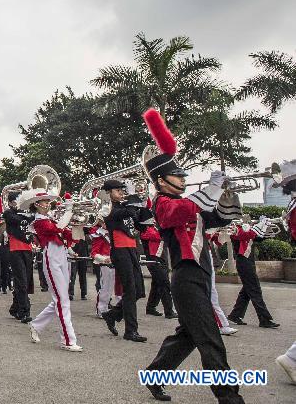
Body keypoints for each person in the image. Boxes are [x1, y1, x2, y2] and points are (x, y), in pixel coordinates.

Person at [141, 108, 244, 404]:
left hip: (201, 274)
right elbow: (185, 210)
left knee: (188, 335)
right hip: (185, 278)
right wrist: (210, 190)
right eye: (177, 175)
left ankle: (155, 374)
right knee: (210, 340)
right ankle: (230, 398)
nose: (183, 179)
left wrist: (226, 192)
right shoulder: (163, 204)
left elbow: (218, 217)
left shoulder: (187, 203)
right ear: (161, 181)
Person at [26, 191, 82, 352]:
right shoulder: (39, 221)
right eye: (44, 201)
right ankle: (68, 340)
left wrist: (79, 223)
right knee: (62, 300)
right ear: (36, 204)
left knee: (61, 298)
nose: (48, 203)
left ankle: (36, 325)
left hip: (62, 256)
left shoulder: (51, 218)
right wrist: (69, 211)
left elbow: (70, 235)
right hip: (51, 258)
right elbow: (57, 228)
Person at [101, 179, 147, 342]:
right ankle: (130, 331)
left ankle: (112, 314)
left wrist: (144, 208)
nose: (122, 193)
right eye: (118, 190)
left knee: (139, 290)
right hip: (120, 250)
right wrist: (133, 196)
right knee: (130, 290)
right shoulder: (107, 208)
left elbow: (141, 225)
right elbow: (125, 213)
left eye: (123, 190)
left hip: (131, 248)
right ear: (108, 193)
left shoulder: (125, 206)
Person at [227, 217, 279, 328]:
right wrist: (258, 225)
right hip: (243, 262)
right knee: (255, 290)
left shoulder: (247, 229)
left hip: (248, 262)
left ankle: (235, 315)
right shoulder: (235, 229)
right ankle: (264, 319)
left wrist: (265, 226)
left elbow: (258, 237)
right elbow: (246, 235)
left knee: (247, 291)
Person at [4, 193, 35, 323]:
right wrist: (27, 214)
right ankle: (24, 312)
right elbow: (18, 220)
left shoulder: (27, 213)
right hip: (15, 250)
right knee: (21, 281)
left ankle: (15, 307)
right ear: (11, 202)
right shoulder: (8, 213)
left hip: (27, 249)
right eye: (17, 200)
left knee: (25, 282)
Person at [141, 222, 175, 319]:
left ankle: (151, 307)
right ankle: (169, 311)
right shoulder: (146, 229)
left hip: (160, 258)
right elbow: (157, 236)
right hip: (153, 259)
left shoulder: (155, 228)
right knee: (164, 284)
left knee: (157, 284)